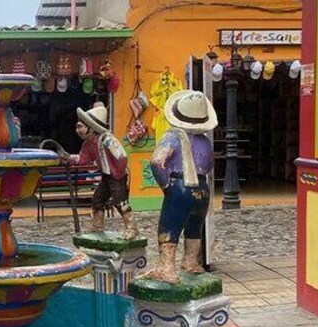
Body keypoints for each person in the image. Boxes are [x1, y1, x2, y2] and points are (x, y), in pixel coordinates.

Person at [140, 90, 217, 284]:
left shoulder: (173, 136)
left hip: (180, 185)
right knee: (194, 226)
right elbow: (209, 166)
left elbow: (157, 161)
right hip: (202, 188)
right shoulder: (205, 142)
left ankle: (167, 268)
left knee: (169, 227)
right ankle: (191, 262)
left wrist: (167, 186)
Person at [59, 102, 139, 239]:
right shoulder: (88, 144)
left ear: (91, 128)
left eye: (81, 127)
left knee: (120, 201)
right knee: (98, 199)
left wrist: (118, 173)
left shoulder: (107, 139)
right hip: (107, 176)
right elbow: (82, 159)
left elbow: (122, 156)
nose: (78, 130)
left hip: (117, 176)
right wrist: (68, 158)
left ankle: (132, 228)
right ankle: (97, 226)